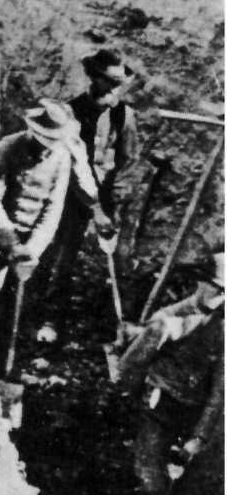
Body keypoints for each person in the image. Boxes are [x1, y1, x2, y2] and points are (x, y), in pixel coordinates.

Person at [115, 250, 224, 495]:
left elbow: (220, 392)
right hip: (158, 411)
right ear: (200, 284)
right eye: (216, 290)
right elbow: (130, 367)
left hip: (191, 419)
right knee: (153, 485)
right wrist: (126, 397)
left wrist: (198, 437)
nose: (220, 299)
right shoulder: (169, 321)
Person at [0, 99, 98, 355]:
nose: (47, 149)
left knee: (17, 307)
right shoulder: (7, 148)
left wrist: (32, 249)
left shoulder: (61, 157)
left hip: (30, 243)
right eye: (43, 141)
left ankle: (3, 365)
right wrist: (11, 243)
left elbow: (53, 209)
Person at [43, 49, 140, 320]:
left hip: (109, 193)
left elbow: (129, 159)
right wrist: (91, 204)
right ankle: (51, 314)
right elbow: (70, 165)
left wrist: (114, 203)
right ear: (94, 79)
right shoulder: (72, 112)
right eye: (110, 82)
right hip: (74, 193)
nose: (115, 90)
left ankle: (117, 320)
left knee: (119, 256)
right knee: (63, 252)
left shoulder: (124, 115)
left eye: (120, 84)